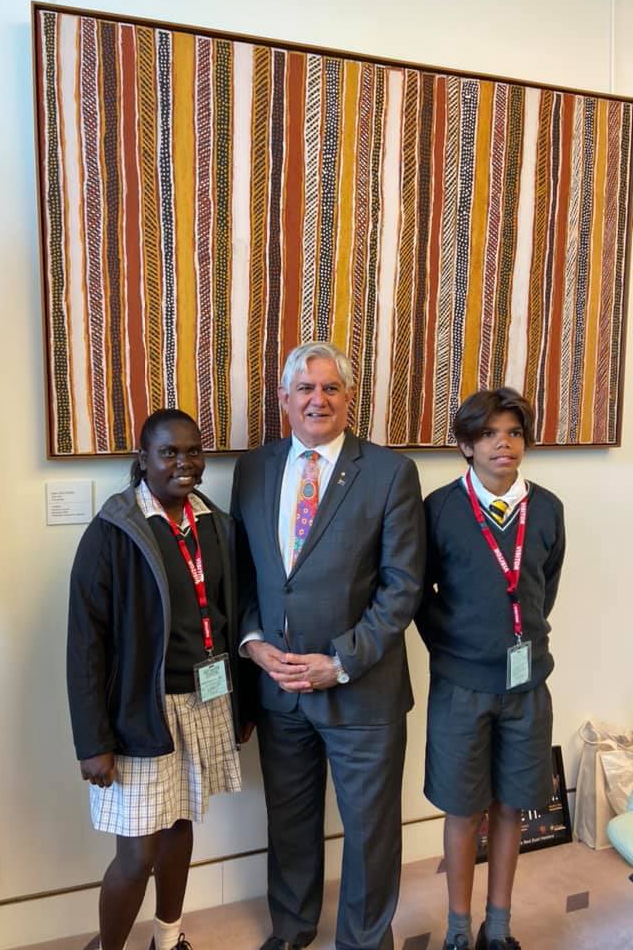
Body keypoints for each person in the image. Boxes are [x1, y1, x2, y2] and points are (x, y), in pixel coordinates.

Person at [231, 341, 425, 950]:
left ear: (349, 399)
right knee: (289, 823)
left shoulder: (391, 472)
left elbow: (403, 588)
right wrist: (253, 643)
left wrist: (338, 662)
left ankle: (365, 942)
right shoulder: (254, 468)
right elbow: (240, 572)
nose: (318, 399)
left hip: (360, 691)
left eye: (331, 388)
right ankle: (291, 930)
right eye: (305, 389)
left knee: (370, 832)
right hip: (279, 687)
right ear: (283, 400)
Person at [67, 409, 253, 950]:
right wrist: (92, 741)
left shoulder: (214, 523)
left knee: (180, 826)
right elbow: (85, 645)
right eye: (169, 453)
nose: (184, 463)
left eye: (193, 451)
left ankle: (168, 939)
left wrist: (242, 708)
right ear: (143, 458)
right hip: (138, 713)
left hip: (205, 701)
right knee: (137, 854)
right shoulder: (113, 532)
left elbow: (227, 617)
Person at [416, 388, 566, 950]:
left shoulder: (547, 508)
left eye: (513, 433)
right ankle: (458, 927)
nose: (503, 444)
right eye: (488, 434)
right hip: (461, 686)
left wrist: (514, 640)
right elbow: (420, 594)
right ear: (466, 446)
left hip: (527, 685)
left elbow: (542, 592)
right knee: (463, 806)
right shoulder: (440, 509)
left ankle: (496, 927)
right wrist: (456, 647)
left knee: (511, 804)